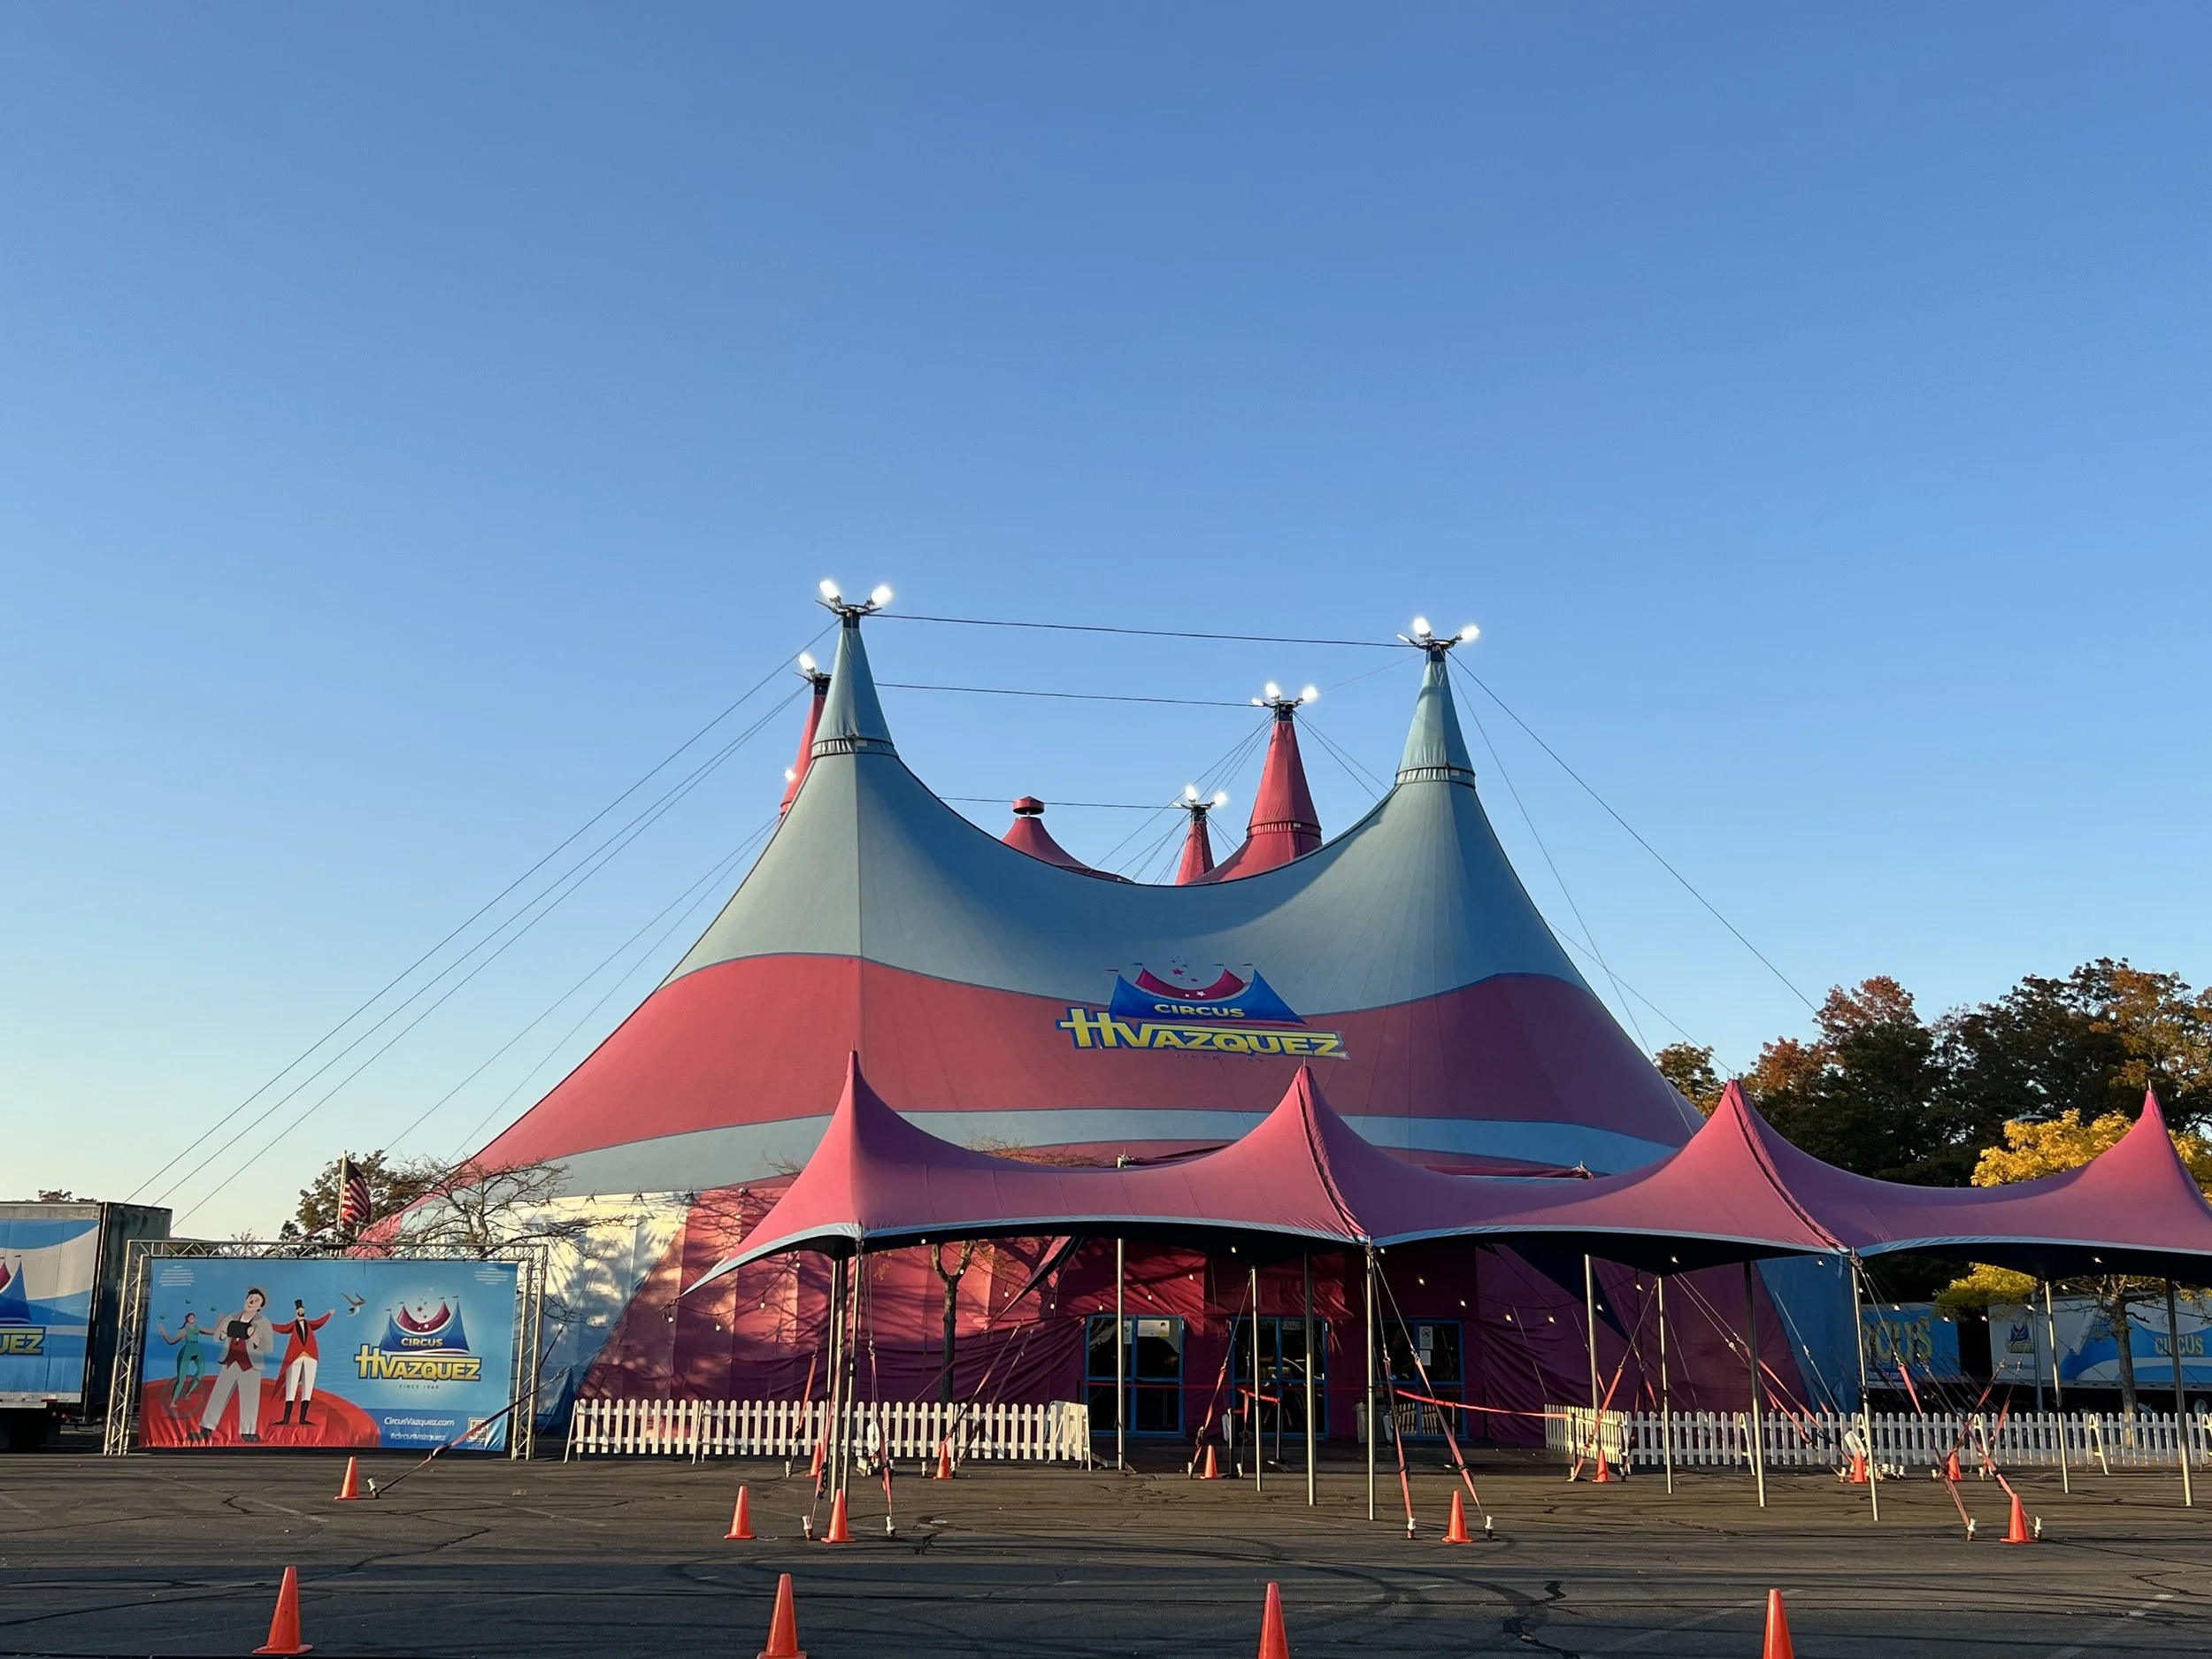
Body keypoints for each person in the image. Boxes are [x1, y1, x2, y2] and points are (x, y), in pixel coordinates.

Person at [195, 1287, 273, 1442]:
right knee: (219, 1395)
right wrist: (224, 1330)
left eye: (257, 1300)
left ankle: (247, 1432)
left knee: (249, 1399)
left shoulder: (263, 1323)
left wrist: (254, 1335)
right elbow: (217, 1337)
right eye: (250, 1298)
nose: (252, 1301)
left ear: (260, 1306)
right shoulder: (232, 1317)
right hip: (229, 1362)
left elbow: (267, 1347)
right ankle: (207, 1428)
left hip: (250, 1365)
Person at [275, 1300, 334, 1426]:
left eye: (302, 1310)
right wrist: (266, 1324)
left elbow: (319, 1322)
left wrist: (329, 1314)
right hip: (295, 1357)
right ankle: (286, 1419)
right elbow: (281, 1328)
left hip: (310, 1357)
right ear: (296, 1312)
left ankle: (302, 1419)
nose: (301, 1312)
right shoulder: (292, 1325)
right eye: (299, 1311)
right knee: (291, 1386)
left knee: (308, 1387)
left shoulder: (309, 1324)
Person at [154, 1312, 206, 1409]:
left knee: (201, 1370)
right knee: (181, 1379)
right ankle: (172, 1401)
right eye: (190, 1317)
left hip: (196, 1350)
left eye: (193, 1317)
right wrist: (163, 1332)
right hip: (186, 1352)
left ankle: (187, 1393)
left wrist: (220, 1321)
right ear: (187, 1320)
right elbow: (171, 1341)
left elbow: (212, 1331)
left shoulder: (198, 1329)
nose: (192, 1318)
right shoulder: (184, 1331)